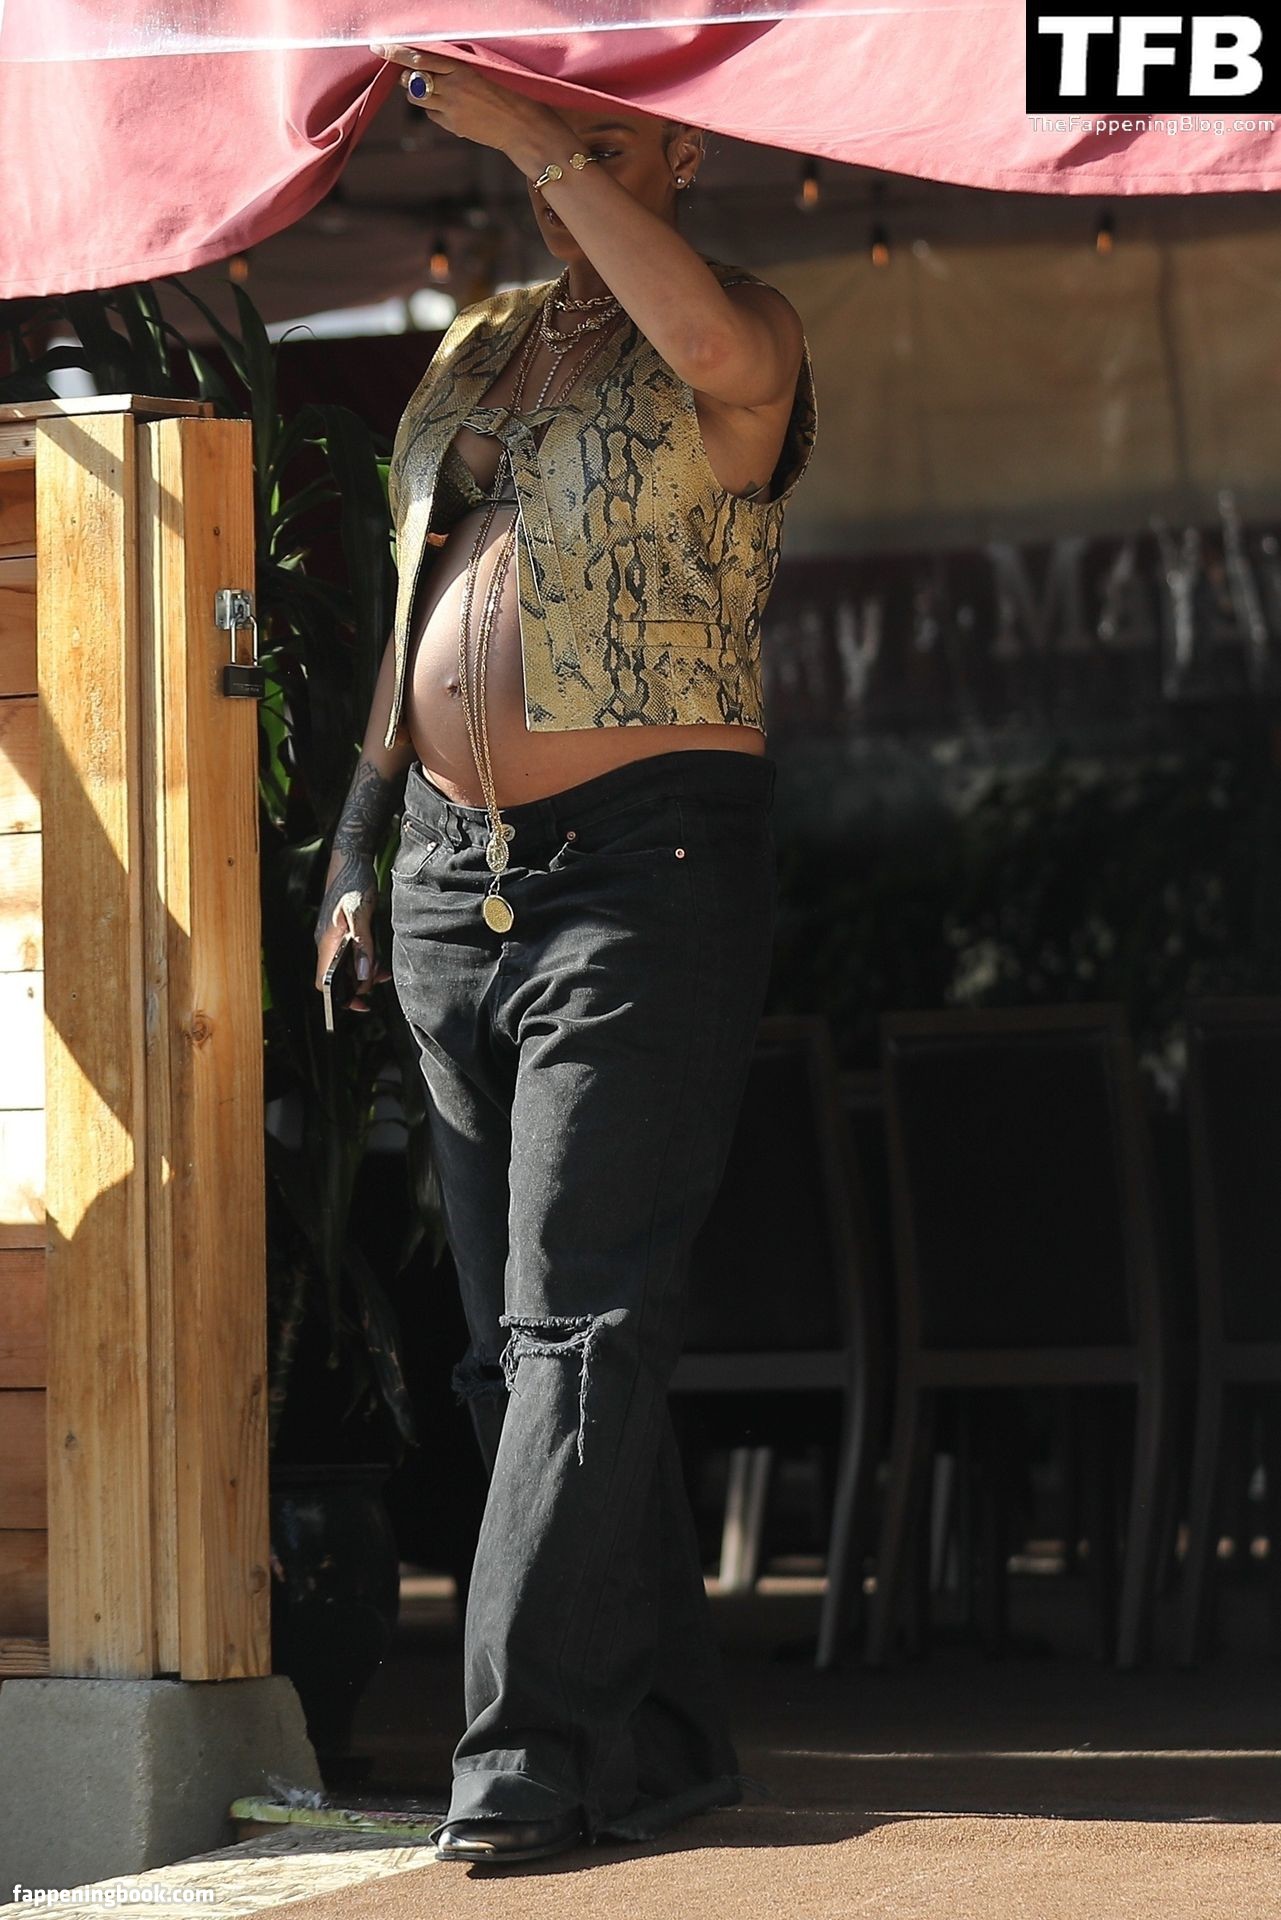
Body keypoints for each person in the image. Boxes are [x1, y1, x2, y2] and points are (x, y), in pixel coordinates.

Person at [314, 43, 817, 1866]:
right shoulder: (480, 345)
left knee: (575, 1323)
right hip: (453, 872)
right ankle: (659, 1740)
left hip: (642, 867)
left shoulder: (739, 324)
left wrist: (534, 135)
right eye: (552, 123)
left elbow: (708, 355)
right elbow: (413, 606)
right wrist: (358, 843)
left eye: (606, 128)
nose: (559, 167)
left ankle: (520, 1760)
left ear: (680, 139)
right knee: (501, 1357)